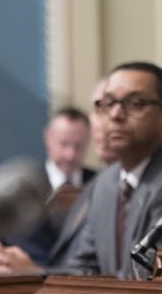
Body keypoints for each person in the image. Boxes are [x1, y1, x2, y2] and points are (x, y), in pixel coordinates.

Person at [0, 79, 114, 275]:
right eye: (64, 144)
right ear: (48, 137)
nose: (70, 154)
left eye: (78, 146)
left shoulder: (102, 184)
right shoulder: (19, 187)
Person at [60, 62, 162, 278]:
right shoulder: (104, 183)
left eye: (135, 103)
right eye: (108, 103)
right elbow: (81, 267)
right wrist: (26, 275)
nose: (115, 114)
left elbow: (148, 275)